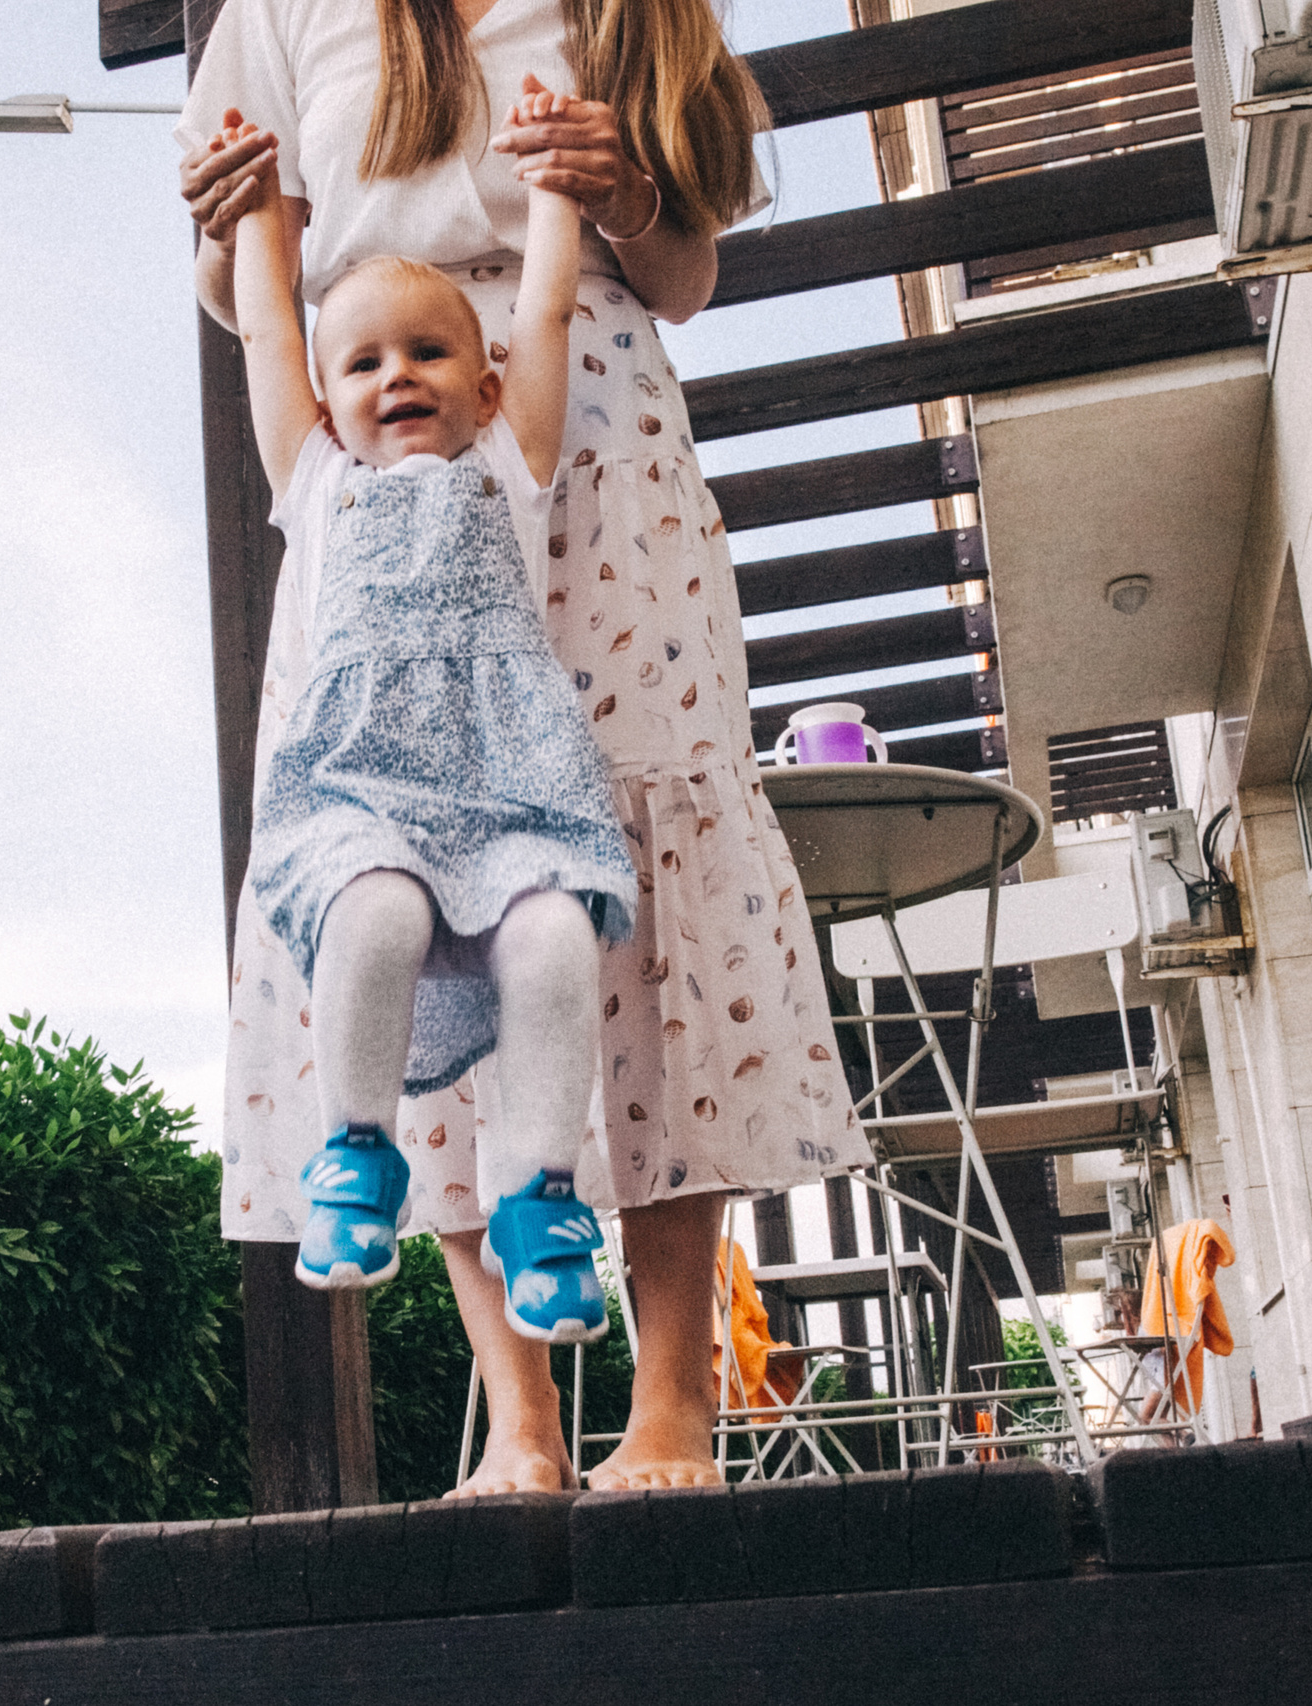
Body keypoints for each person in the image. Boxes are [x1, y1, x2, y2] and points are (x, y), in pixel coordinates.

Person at [181, 0, 874, 1494]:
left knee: (625, 876)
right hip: (370, 447)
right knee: (393, 884)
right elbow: (255, 287)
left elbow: (682, 276)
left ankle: (674, 1406)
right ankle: (521, 1416)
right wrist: (228, 224)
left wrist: (616, 183)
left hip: (592, 426)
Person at [219, 88, 636, 1344]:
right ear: (330, 395)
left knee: (556, 935)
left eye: (428, 352)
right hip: (363, 792)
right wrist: (256, 211)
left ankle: (540, 1196)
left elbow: (551, 303)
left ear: (485, 375)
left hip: (509, 787)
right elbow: (257, 337)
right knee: (376, 909)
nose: (396, 374)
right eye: (363, 361)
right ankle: (353, 1153)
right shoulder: (317, 483)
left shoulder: (508, 463)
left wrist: (554, 187)